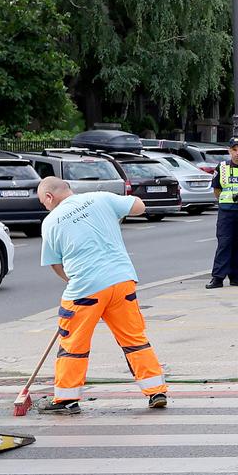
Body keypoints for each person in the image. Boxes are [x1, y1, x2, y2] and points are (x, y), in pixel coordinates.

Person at [37, 177, 168, 414]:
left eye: (43, 202)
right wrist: (115, 212)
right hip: (121, 281)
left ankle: (66, 399)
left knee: (73, 344)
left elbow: (55, 264)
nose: (44, 206)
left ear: (49, 197)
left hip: (84, 290)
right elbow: (139, 206)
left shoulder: (51, 221)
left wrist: (72, 280)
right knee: (134, 339)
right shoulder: (100, 198)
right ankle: (156, 391)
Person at [207, 139, 238, 289]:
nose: (237, 153)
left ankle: (236, 277)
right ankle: (217, 278)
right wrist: (226, 201)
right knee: (224, 244)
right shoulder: (222, 167)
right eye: (234, 150)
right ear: (229, 151)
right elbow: (216, 190)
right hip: (227, 212)